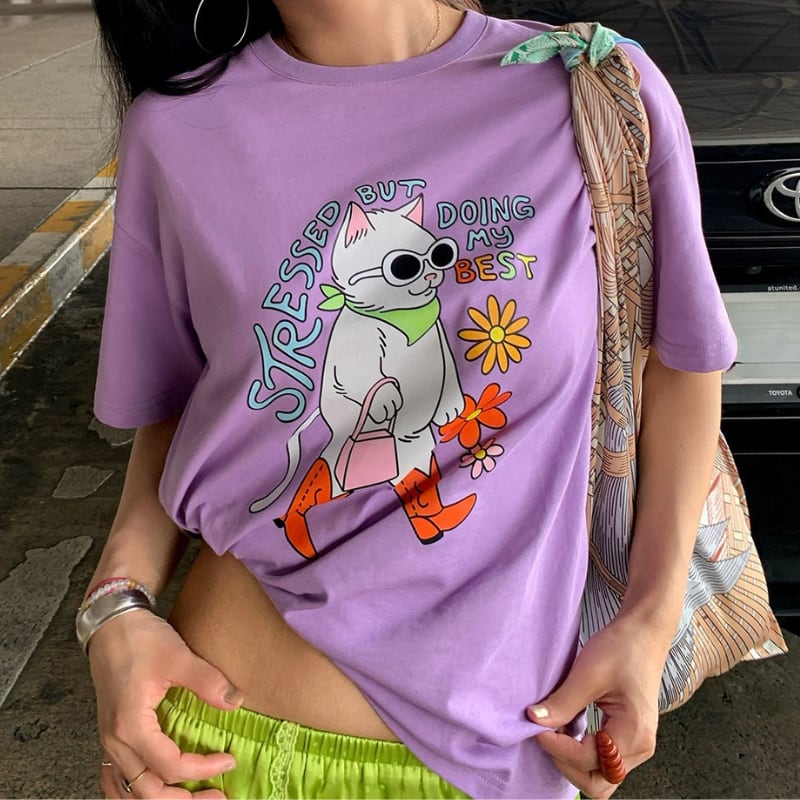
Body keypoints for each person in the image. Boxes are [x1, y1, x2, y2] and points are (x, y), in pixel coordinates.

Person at [81, 1, 738, 798]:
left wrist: (648, 622)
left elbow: (682, 367)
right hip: (229, 744)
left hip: (508, 754)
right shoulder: (179, 131)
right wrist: (114, 611)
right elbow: (182, 416)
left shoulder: (592, 88)